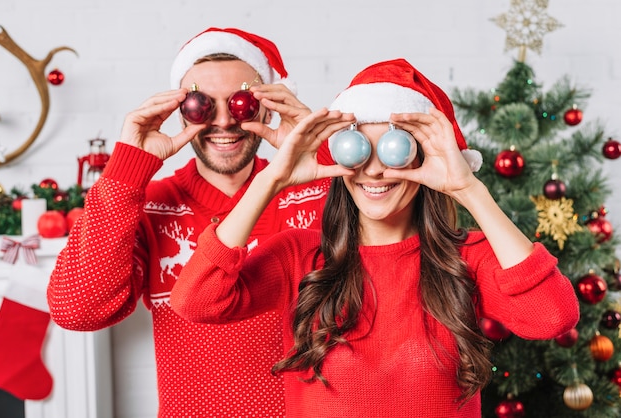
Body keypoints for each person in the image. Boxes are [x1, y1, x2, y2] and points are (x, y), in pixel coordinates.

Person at [170, 58, 580, 418]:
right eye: (356, 149)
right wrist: (271, 179)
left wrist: (469, 189)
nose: (374, 170)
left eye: (394, 150)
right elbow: (195, 300)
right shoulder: (299, 256)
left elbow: (553, 316)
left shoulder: (467, 258)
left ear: (424, 157)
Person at [47, 27, 337, 418]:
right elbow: (78, 309)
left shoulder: (318, 192)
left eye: (241, 103)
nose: (222, 122)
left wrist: (321, 154)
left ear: (268, 105)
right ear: (180, 108)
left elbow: (390, 274)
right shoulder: (151, 205)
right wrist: (127, 169)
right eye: (201, 104)